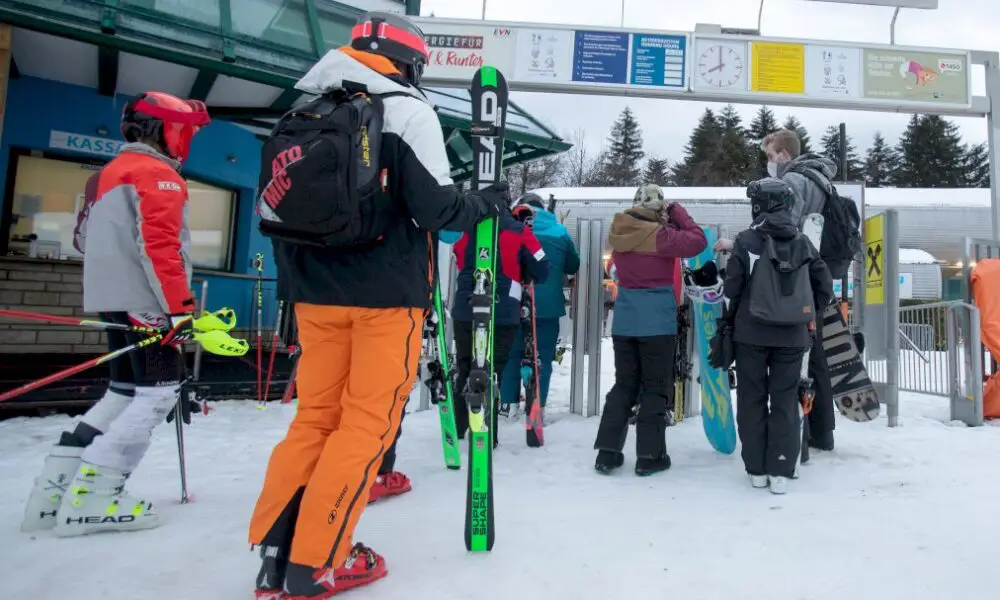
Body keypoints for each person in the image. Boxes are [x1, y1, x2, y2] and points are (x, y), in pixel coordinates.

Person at [248, 12, 512, 599]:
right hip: (384, 299)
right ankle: (317, 562)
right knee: (366, 425)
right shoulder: (407, 112)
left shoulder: (302, 112)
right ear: (409, 63)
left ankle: (276, 556)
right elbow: (440, 212)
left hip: (312, 294)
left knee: (315, 418)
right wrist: (488, 202)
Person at [20, 92, 211, 536]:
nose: (187, 140)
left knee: (123, 392)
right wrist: (180, 311)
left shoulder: (106, 175)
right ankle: (94, 497)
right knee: (158, 394)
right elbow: (161, 248)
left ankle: (54, 493)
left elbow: (84, 241)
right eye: (184, 131)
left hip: (112, 300)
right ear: (164, 130)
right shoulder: (157, 175)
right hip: (148, 302)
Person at [715, 128, 839, 455]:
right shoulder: (820, 178)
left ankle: (792, 445)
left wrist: (741, 244)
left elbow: (782, 232)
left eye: (770, 156)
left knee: (787, 375)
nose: (769, 163)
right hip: (812, 279)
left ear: (783, 154)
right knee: (813, 360)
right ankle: (820, 433)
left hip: (785, 287)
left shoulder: (793, 182)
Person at [722, 178, 833, 494]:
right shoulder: (804, 243)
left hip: (750, 335)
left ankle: (756, 469)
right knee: (785, 400)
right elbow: (823, 288)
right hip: (792, 338)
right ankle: (781, 470)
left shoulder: (746, 242)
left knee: (751, 398)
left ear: (761, 206)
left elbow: (732, 290)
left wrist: (731, 322)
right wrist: (804, 316)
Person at [593, 184, 707, 476]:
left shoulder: (618, 232)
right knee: (655, 388)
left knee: (624, 385)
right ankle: (649, 455)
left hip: (625, 322)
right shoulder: (661, 236)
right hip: (657, 323)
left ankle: (607, 453)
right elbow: (698, 241)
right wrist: (679, 213)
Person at [367, 229, 462, 505]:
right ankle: (377, 473)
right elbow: (451, 230)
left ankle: (335, 472)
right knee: (389, 393)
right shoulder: (411, 188)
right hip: (399, 300)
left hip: (341, 298)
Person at [451, 206, 549, 443]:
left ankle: (459, 426)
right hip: (503, 309)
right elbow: (542, 268)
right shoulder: (519, 231)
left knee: (466, 365)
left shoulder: (465, 228)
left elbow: (458, 257)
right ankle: (486, 431)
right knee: (493, 369)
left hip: (466, 307)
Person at [499, 193, 579, 419]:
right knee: (542, 357)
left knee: (512, 355)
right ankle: (537, 408)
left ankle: (509, 405)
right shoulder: (559, 231)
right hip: (547, 306)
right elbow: (574, 264)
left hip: (512, 303)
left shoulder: (508, 228)